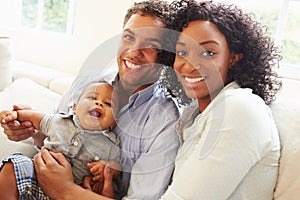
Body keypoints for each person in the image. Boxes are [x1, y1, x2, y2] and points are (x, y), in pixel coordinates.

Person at [11, 0, 283, 199]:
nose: (191, 66)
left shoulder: (236, 108)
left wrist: (66, 191)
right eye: (183, 52)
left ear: (234, 57)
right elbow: (58, 139)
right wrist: (34, 132)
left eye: (208, 53)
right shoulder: (194, 118)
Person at [1, 0, 183, 199]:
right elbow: (56, 135)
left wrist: (66, 191)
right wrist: (30, 130)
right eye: (129, 37)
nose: (133, 52)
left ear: (167, 55)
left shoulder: (165, 122)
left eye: (150, 45)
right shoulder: (88, 82)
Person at [0, 81, 121, 199]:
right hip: (35, 178)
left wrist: (109, 167)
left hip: (75, 192)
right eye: (92, 97)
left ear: (113, 123)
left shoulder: (111, 144)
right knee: (14, 165)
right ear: (74, 107)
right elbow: (32, 117)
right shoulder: (58, 121)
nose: (99, 103)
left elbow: (118, 167)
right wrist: (14, 116)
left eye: (108, 104)